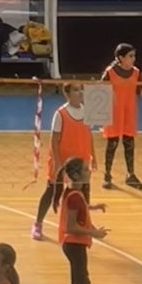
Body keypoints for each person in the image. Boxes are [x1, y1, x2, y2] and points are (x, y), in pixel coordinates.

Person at [55, 158, 108, 284]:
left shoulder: (75, 192)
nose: (89, 171)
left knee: (83, 283)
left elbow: (81, 209)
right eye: (86, 169)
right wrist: (93, 233)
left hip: (76, 245)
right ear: (76, 175)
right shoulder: (75, 196)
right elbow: (71, 227)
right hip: (74, 245)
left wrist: (93, 208)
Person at [34, 82, 95, 242]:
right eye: (76, 90)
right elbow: (54, 140)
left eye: (81, 89)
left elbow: (89, 134)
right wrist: (57, 162)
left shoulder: (87, 111)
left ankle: (85, 222)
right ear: (67, 94)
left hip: (81, 160)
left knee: (83, 193)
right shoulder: (60, 114)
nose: (80, 92)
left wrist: (93, 156)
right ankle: (38, 224)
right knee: (51, 191)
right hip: (63, 161)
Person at [100, 43, 142, 191]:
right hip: (114, 113)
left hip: (129, 113)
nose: (133, 59)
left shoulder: (136, 73)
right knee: (112, 144)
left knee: (129, 144)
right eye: (130, 56)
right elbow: (100, 92)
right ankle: (107, 175)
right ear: (121, 58)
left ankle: (130, 175)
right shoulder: (110, 72)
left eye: (134, 56)